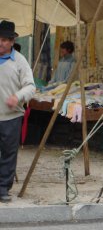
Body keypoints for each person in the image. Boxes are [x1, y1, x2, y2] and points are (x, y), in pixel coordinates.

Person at [0, 20, 35, 203]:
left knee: (8, 152)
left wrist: (18, 96)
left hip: (11, 116)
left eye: (5, 39)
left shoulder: (20, 61)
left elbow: (30, 87)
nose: (1, 42)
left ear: (12, 42)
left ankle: (3, 187)